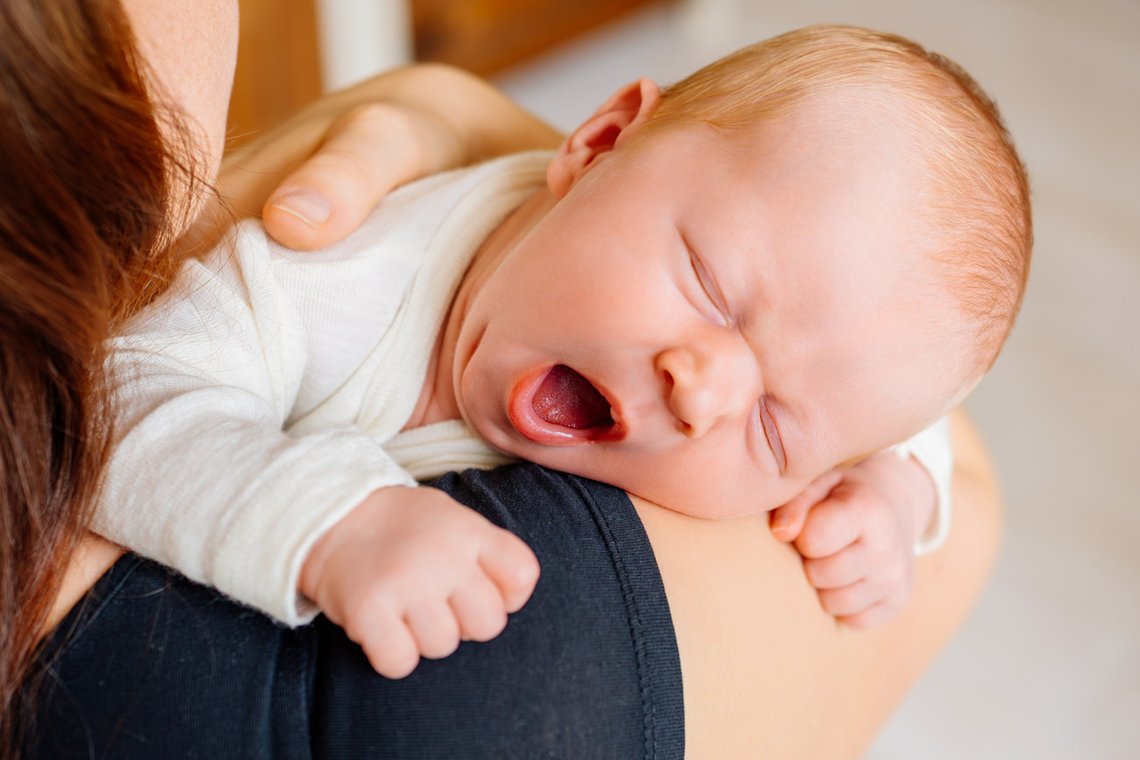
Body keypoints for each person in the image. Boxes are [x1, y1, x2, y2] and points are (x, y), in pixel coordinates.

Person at [2, 2, 1012, 757]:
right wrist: (331, 520)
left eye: (776, 429)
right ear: (599, 138)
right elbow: (121, 403)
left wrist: (893, 487)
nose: (706, 389)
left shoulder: (753, 317)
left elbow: (886, 387)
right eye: (708, 287)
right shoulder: (337, 279)